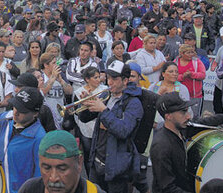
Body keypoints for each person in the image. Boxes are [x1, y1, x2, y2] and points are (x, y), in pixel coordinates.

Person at [79, 61, 143, 193]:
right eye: (108, 78)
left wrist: (103, 111)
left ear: (125, 81)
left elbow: (123, 130)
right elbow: (84, 118)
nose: (109, 83)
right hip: (97, 162)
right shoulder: (106, 95)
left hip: (117, 167)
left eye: (114, 79)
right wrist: (85, 104)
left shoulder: (134, 102)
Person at [150, 92, 223, 193]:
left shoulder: (182, 128)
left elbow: (205, 122)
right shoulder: (161, 146)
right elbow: (167, 187)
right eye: (183, 112)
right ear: (168, 116)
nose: (188, 116)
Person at [19, 130, 105, 193]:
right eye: (46, 168)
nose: (53, 178)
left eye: (62, 169)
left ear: (79, 162)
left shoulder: (92, 191)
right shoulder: (29, 189)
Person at [176, 44, 206, 117]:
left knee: (195, 117)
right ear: (182, 53)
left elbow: (203, 75)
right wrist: (183, 76)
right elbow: (173, 77)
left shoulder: (197, 62)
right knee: (180, 116)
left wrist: (192, 74)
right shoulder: (176, 62)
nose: (191, 55)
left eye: (192, 52)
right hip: (179, 95)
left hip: (195, 95)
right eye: (188, 53)